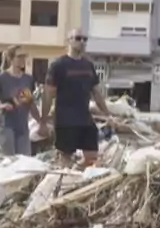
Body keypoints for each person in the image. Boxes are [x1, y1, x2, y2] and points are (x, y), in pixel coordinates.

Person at [43, 29, 110, 166]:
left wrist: (107, 114)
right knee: (66, 159)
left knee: (92, 157)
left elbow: (96, 92)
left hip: (85, 119)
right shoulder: (58, 65)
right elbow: (48, 94)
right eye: (78, 38)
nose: (82, 42)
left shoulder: (88, 65)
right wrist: (43, 120)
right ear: (69, 40)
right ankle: (64, 183)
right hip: (65, 120)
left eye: (85, 39)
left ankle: (80, 176)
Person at [0, 46, 40, 156]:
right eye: (19, 56)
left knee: (24, 160)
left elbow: (30, 103)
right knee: (10, 160)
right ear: (11, 59)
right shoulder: (1, 78)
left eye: (24, 56)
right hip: (6, 126)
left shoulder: (28, 79)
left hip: (23, 126)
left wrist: (41, 122)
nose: (22, 59)